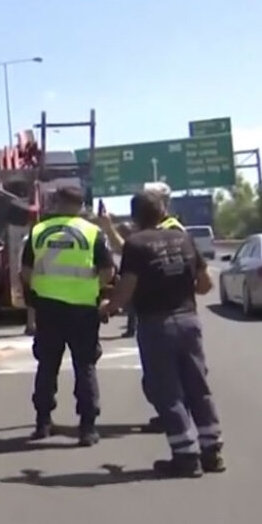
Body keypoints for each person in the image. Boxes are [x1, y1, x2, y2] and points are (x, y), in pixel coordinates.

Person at [101, 190, 225, 477]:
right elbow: (205, 285)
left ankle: (185, 456)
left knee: (167, 391)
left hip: (157, 325)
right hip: (189, 321)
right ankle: (212, 451)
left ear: (134, 216)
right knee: (198, 385)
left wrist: (107, 308)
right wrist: (177, 285)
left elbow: (126, 289)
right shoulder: (184, 238)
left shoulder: (136, 244)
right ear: (163, 212)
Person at [20, 185, 115, 446]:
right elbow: (108, 272)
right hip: (84, 309)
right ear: (82, 205)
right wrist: (92, 288)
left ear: (58, 203)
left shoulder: (37, 232)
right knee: (85, 366)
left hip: (48, 308)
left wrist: (43, 290)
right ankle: (87, 428)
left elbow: (26, 273)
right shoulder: (92, 232)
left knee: (47, 365)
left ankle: (42, 423)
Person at [94, 181, 181, 432]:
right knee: (163, 374)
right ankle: (175, 418)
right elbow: (131, 251)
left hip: (163, 311)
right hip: (165, 311)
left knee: (161, 375)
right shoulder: (162, 230)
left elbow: (131, 252)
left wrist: (109, 307)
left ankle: (177, 424)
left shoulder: (170, 230)